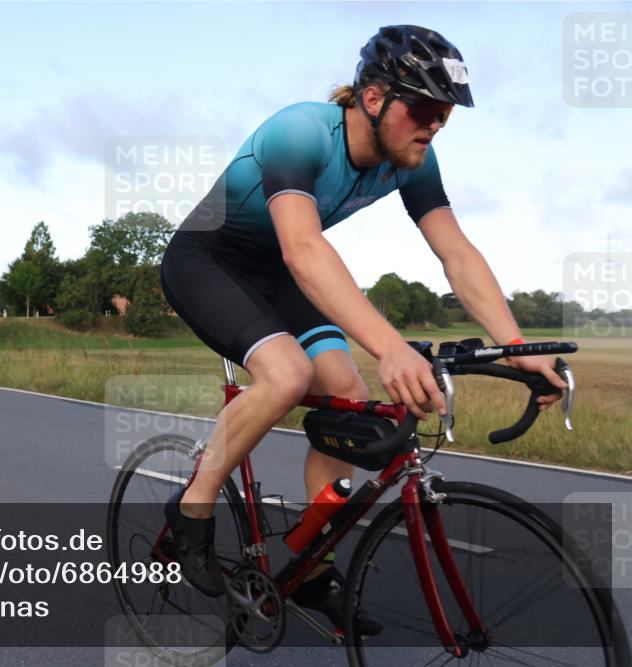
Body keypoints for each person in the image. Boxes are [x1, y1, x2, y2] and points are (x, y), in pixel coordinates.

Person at [159, 25, 568, 632]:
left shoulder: (413, 160)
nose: (434, 126)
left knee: (350, 399)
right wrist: (393, 349)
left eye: (446, 116)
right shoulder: (301, 132)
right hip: (208, 260)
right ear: (374, 99)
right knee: (288, 374)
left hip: (277, 273)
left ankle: (312, 565)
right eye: (426, 109)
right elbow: (302, 247)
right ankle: (190, 512)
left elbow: (455, 252)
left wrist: (515, 345)